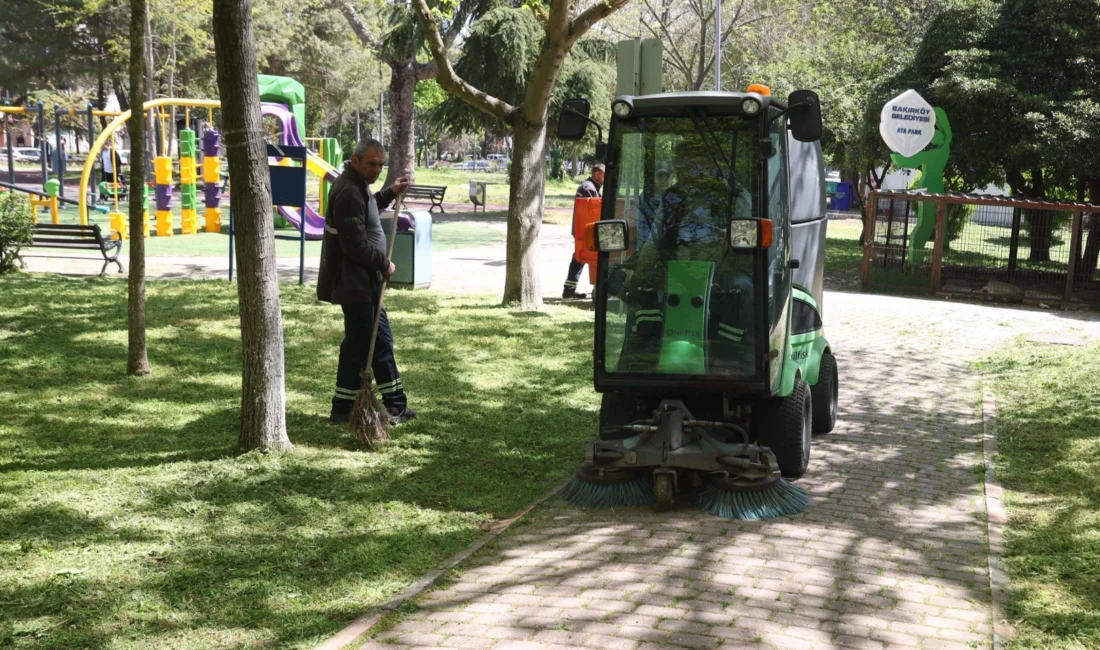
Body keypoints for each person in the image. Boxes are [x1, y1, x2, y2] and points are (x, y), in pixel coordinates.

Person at [317, 138, 416, 425]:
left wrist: (390, 192)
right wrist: (384, 263)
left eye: (380, 165)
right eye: (371, 163)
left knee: (358, 344)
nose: (376, 170)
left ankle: (342, 407)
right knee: (378, 340)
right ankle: (395, 406)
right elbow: (354, 245)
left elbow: (369, 207)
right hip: (355, 281)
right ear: (355, 159)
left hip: (362, 280)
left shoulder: (357, 185)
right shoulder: (348, 190)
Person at [562, 162, 605, 299]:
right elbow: (595, 212)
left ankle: (569, 289)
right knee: (588, 257)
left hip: (583, 230)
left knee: (579, 257)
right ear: (597, 174)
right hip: (587, 230)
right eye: (605, 175)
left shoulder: (589, 186)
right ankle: (594, 289)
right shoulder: (589, 188)